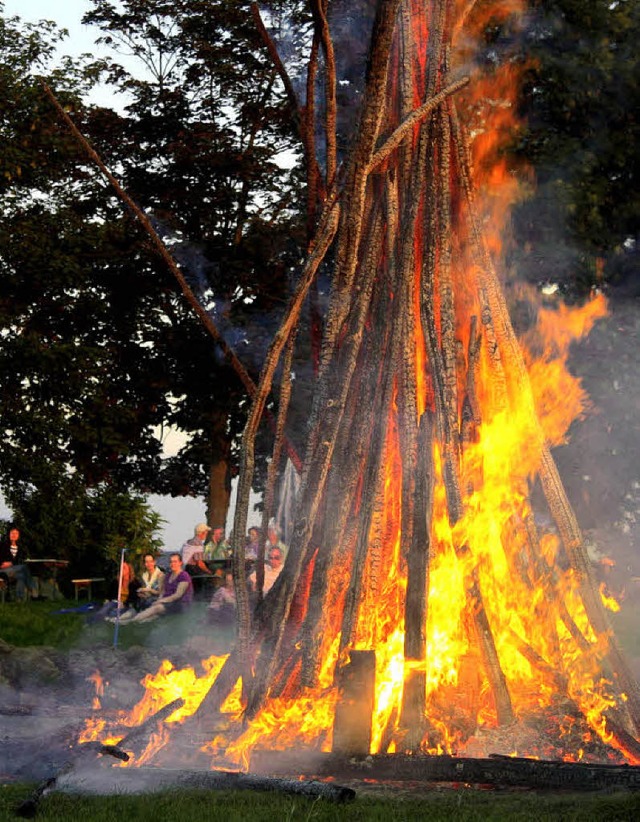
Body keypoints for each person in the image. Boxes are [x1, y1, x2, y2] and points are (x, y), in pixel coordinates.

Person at [116, 553, 193, 624]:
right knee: (151, 611)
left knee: (157, 608)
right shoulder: (169, 575)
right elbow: (163, 591)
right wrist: (159, 599)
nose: (172, 564)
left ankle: (131, 621)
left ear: (180, 563)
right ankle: (134, 620)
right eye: (171, 562)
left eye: (175, 562)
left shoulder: (184, 576)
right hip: (168, 603)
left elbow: (178, 595)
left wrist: (161, 601)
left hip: (180, 604)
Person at [0, 526, 37, 601]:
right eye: (12, 533)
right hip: (3, 570)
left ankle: (19, 599)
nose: (14, 535)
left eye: (16, 533)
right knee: (24, 567)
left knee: (21, 576)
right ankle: (33, 591)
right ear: (9, 534)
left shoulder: (20, 548)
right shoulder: (2, 545)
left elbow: (18, 561)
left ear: (18, 535)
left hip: (14, 570)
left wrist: (11, 563)